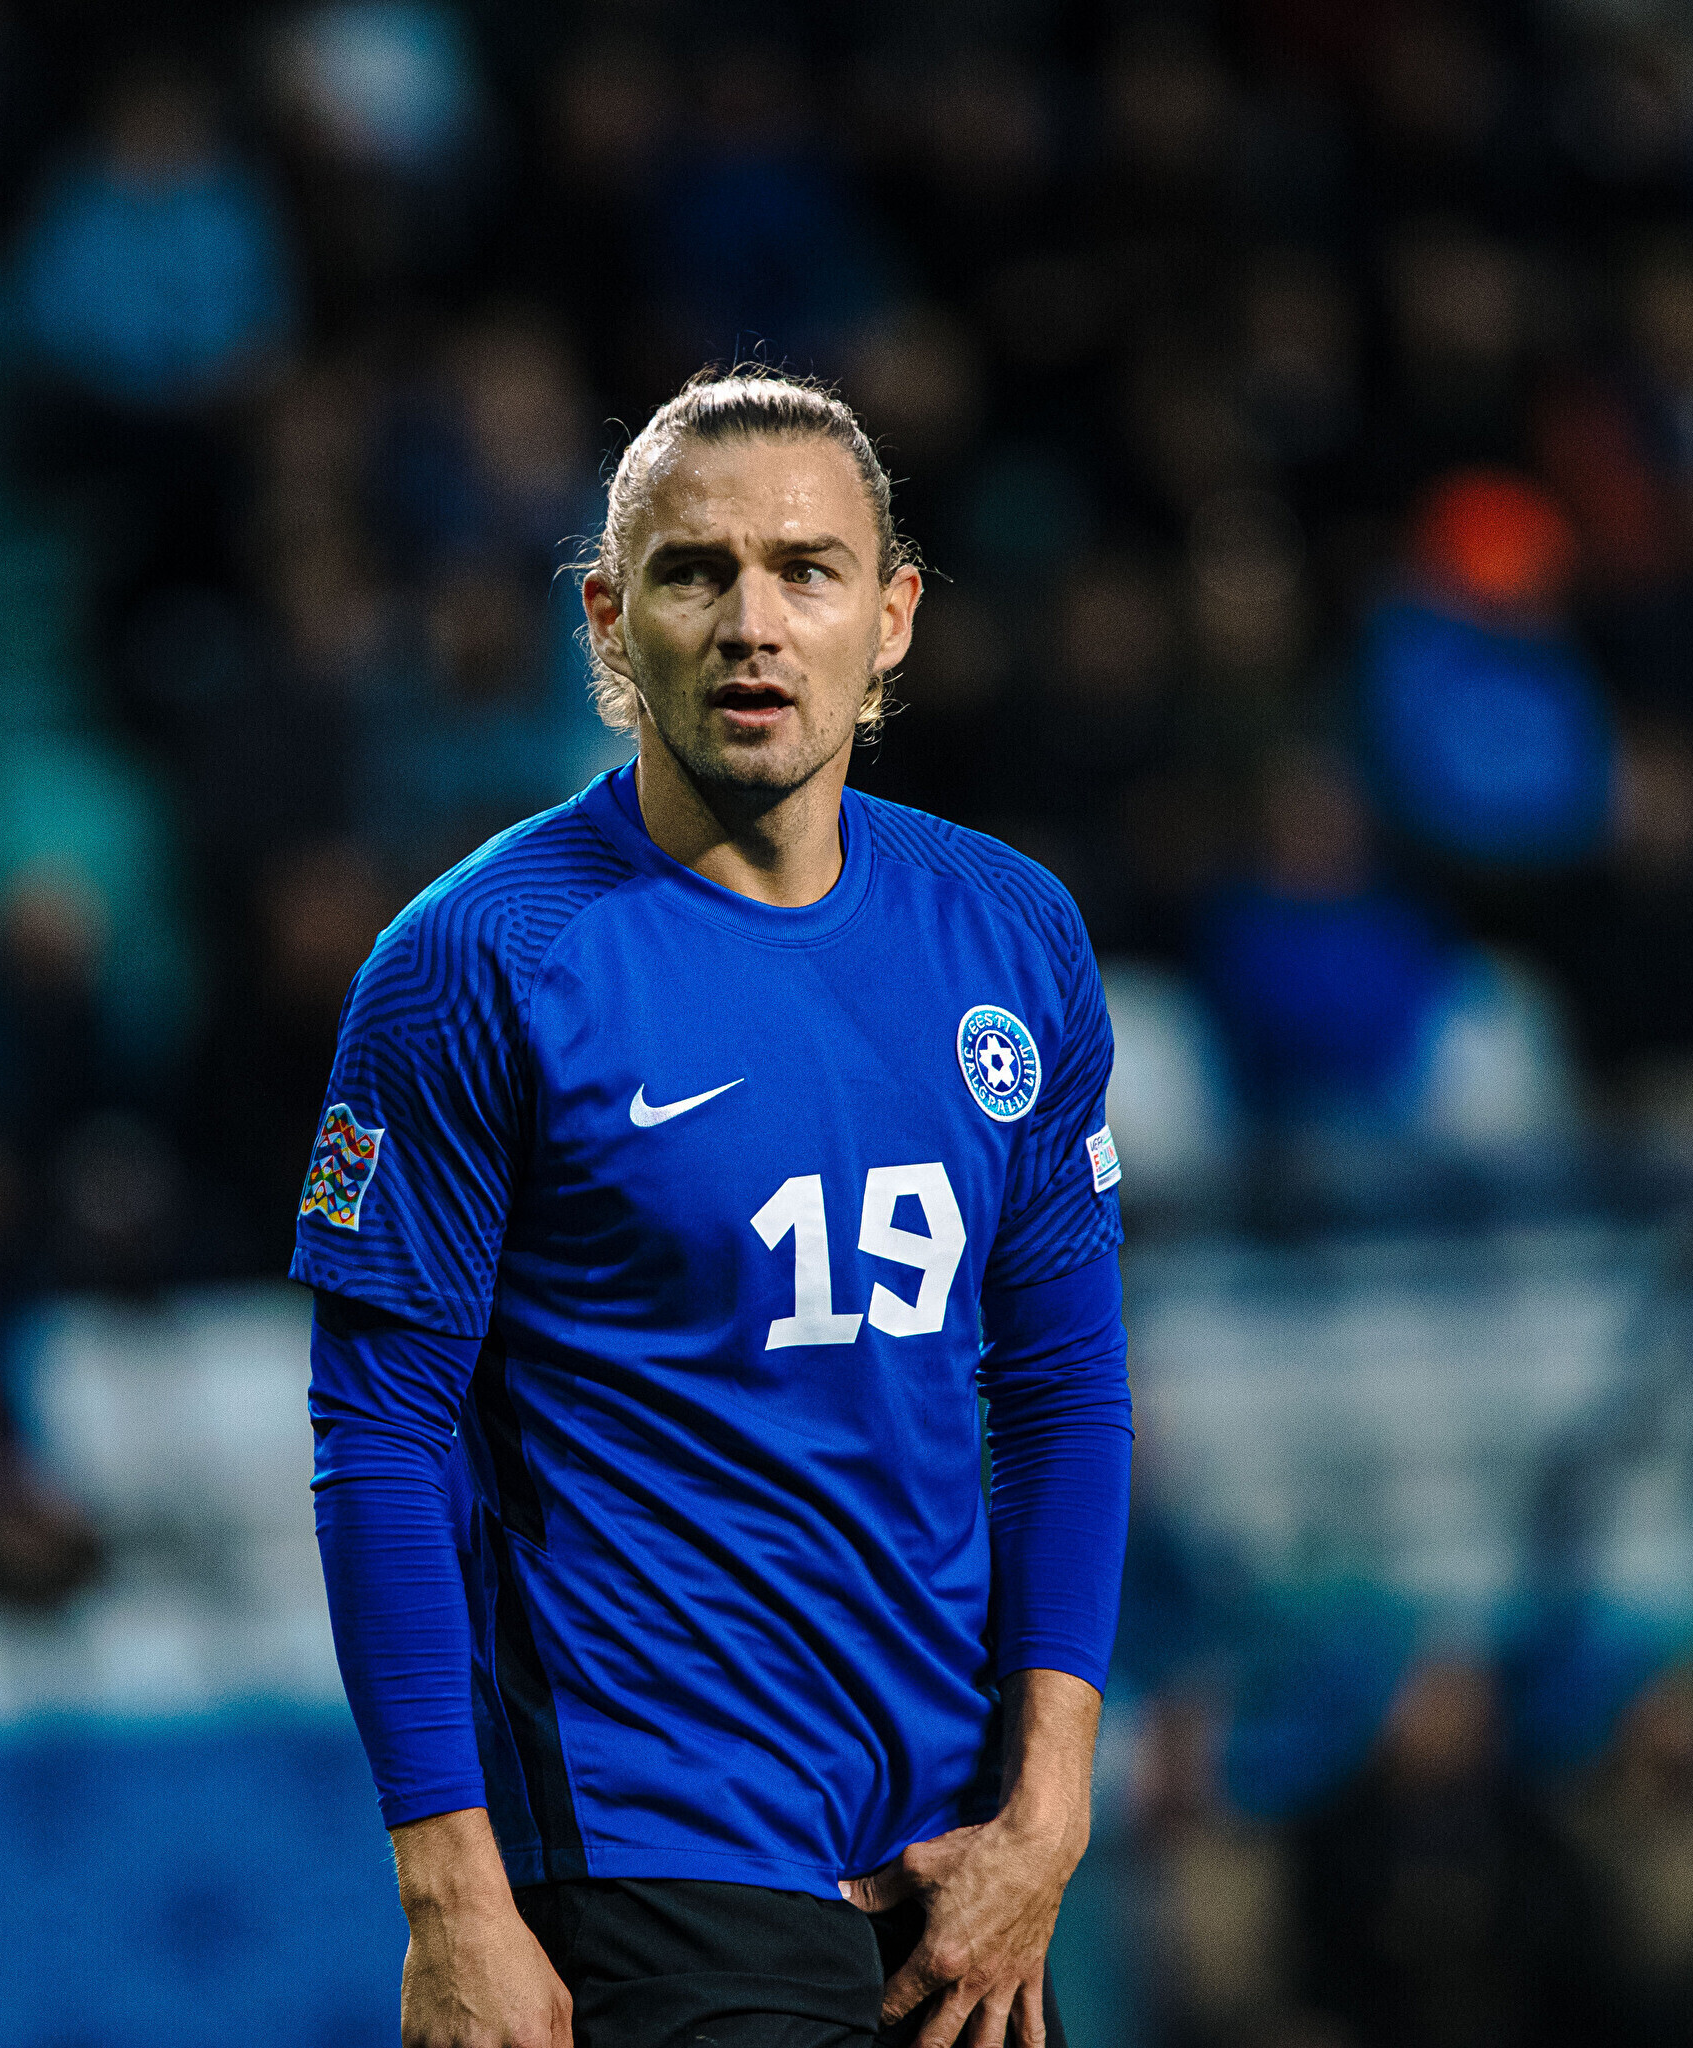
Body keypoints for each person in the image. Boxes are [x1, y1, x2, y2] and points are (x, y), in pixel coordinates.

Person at [298, 368, 1133, 2048]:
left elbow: (1063, 1388)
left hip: (953, 1859)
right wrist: (451, 1896)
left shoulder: (1013, 936)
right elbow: (378, 1435)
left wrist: (1048, 1809)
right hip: (648, 1844)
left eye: (807, 570)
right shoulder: (473, 963)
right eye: (696, 574)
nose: (754, 623)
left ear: (891, 619)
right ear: (611, 622)